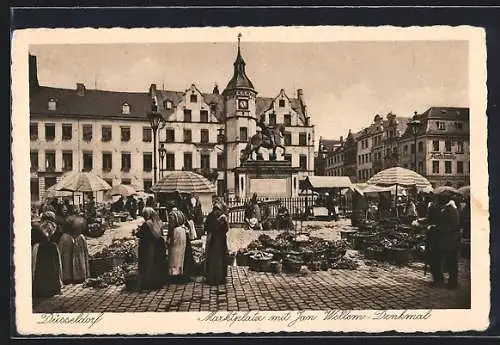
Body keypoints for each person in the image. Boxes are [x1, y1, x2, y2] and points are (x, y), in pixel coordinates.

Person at [32, 211, 63, 298]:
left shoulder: (39, 225)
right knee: (52, 268)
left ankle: (41, 288)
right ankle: (51, 288)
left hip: (39, 249)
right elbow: (50, 237)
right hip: (50, 249)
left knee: (40, 268)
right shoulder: (52, 226)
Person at [135, 207, 167, 289]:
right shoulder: (158, 222)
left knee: (148, 264)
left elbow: (142, 235)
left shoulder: (147, 224)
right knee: (157, 264)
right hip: (158, 246)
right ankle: (158, 281)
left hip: (148, 246)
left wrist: (137, 232)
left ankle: (149, 283)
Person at [58, 215, 90, 284]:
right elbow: (60, 251)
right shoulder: (65, 237)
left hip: (77, 255)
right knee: (67, 261)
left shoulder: (80, 237)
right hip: (68, 256)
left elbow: (85, 252)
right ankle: (69, 276)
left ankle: (78, 275)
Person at [204, 200, 229, 285]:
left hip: (221, 240)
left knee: (222, 258)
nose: (217, 212)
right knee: (213, 259)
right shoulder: (210, 217)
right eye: (216, 210)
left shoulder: (223, 217)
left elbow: (226, 229)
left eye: (218, 210)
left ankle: (221, 277)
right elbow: (207, 227)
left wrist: (224, 222)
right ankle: (212, 278)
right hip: (213, 241)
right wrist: (218, 222)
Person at [166, 202, 188, 283]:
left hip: (175, 233)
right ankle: (180, 270)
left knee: (174, 252)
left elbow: (171, 227)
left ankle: (174, 273)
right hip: (182, 232)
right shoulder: (180, 212)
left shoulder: (172, 214)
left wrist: (169, 237)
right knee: (181, 252)